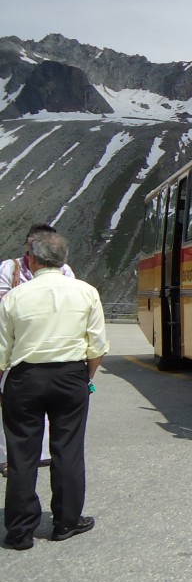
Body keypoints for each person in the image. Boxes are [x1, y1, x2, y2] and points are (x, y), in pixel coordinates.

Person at [0, 231, 108, 550]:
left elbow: (2, 351)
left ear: (31, 259)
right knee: (68, 448)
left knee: (22, 453)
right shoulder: (86, 292)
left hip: (25, 377)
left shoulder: (15, 297)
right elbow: (98, 346)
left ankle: (19, 531)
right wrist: (84, 377)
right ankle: (66, 521)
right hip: (70, 375)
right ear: (63, 260)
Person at [0, 223, 74, 478]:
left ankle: (35, 459)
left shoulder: (66, 272)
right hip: (20, 346)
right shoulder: (10, 268)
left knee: (24, 413)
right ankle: (10, 458)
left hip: (43, 350)